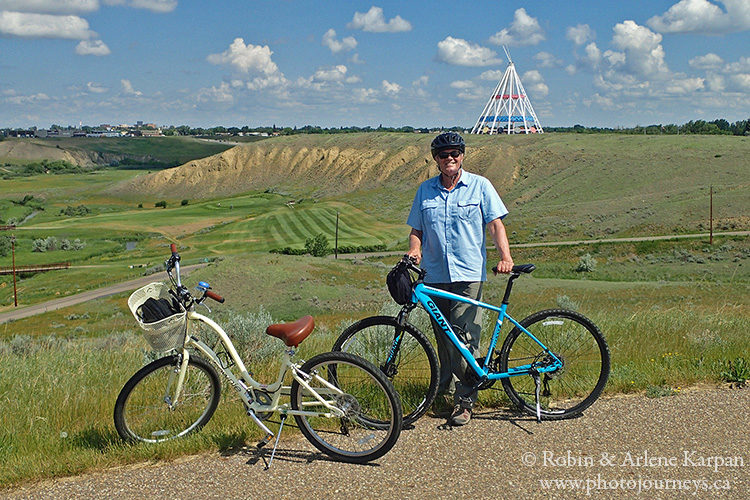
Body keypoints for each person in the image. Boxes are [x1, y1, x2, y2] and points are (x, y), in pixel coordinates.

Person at [406, 131, 514, 426]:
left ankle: (464, 401)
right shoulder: (425, 191)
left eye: (455, 153)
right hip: (434, 276)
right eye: (444, 155)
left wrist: (505, 258)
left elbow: (495, 225)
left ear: (462, 156)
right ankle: (443, 389)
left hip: (468, 273)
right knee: (443, 335)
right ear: (436, 159)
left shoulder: (480, 186)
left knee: (464, 336)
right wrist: (414, 251)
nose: (450, 158)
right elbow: (417, 229)